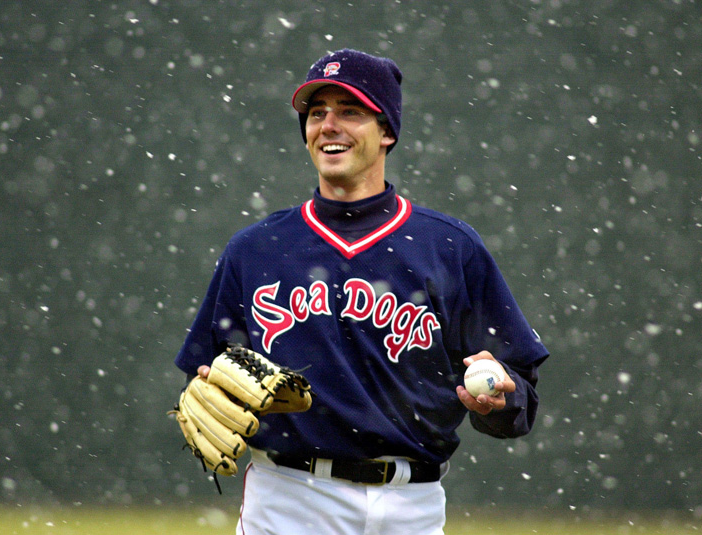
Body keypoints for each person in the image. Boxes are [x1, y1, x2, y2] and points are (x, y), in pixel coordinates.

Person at [175, 48, 549, 535]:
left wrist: (502, 400)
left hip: (411, 506)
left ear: (387, 131)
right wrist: (203, 389)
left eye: (350, 111)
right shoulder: (256, 250)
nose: (328, 125)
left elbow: (519, 393)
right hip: (290, 500)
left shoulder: (450, 248)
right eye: (316, 113)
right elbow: (205, 372)